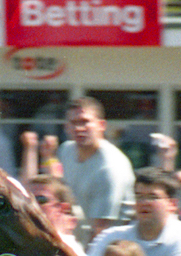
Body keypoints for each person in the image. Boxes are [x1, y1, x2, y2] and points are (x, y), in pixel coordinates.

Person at [58, 97, 135, 240]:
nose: (79, 128)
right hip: (77, 240)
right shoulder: (65, 150)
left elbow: (101, 230)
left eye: (85, 122)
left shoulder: (111, 167)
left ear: (102, 125)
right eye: (73, 123)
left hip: (113, 247)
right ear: (66, 127)